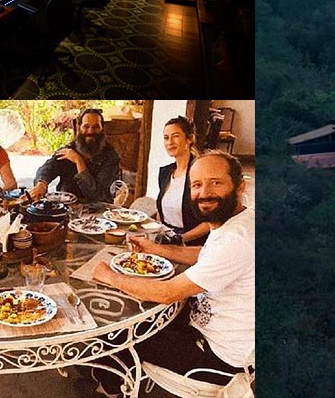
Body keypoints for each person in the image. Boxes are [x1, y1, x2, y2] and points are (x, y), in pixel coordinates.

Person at [92, 151, 255, 395]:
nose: (204, 192)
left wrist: (109, 276)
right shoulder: (241, 220)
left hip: (216, 358)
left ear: (239, 186)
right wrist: (156, 248)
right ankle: (110, 380)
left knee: (116, 332)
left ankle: (111, 387)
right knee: (136, 318)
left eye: (216, 182)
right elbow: (205, 254)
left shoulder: (237, 239)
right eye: (197, 185)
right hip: (206, 330)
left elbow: (167, 292)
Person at [28, 108, 121, 204]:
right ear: (79, 127)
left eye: (96, 127)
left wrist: (79, 161)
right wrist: (41, 184)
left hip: (98, 211)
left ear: (102, 128)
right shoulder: (70, 149)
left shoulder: (111, 157)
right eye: (86, 126)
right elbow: (49, 167)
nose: (90, 131)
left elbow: (97, 196)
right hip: (67, 207)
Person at [157, 116, 209, 245]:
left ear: (190, 139)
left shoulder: (201, 173)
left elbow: (210, 221)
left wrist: (181, 238)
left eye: (175, 136)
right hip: (167, 239)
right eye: (166, 137)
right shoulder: (165, 172)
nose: (169, 142)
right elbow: (160, 211)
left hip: (192, 244)